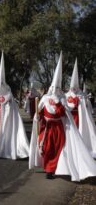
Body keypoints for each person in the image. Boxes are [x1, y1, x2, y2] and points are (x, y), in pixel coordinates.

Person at [29, 52, 96, 181]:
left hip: (59, 127)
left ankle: (55, 169)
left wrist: (63, 104)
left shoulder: (62, 99)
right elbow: (40, 113)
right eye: (53, 87)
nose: (55, 89)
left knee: (59, 148)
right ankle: (48, 169)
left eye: (57, 87)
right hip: (47, 127)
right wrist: (38, 117)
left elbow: (64, 112)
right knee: (47, 148)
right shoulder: (44, 98)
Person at [0, 52, 29, 160]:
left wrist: (5, 111)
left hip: (6, 119)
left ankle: (5, 148)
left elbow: (12, 108)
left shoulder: (8, 94)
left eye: (2, 83)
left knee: (4, 134)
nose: (0, 85)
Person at [65, 60, 96, 157]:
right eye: (72, 87)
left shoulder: (82, 95)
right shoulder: (66, 95)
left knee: (79, 131)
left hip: (79, 117)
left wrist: (82, 102)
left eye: (75, 87)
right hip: (70, 117)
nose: (73, 89)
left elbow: (86, 105)